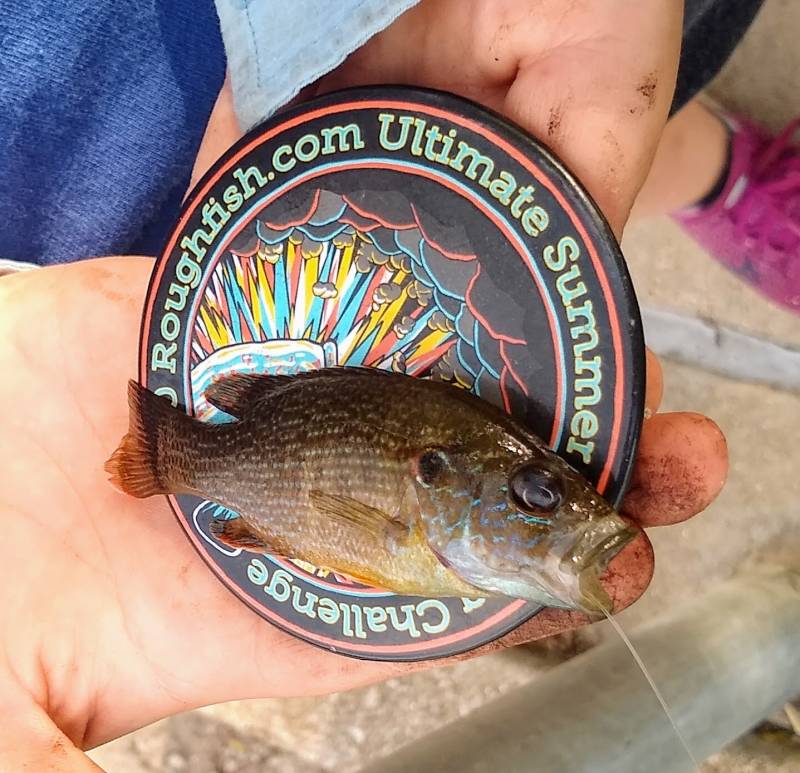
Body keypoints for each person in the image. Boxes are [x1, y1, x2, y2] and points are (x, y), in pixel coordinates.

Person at [1, 0, 770, 767]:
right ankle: (718, 173)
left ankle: (712, 169)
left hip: (341, 70)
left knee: (595, 105)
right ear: (430, 473)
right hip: (107, 218)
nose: (553, 505)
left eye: (540, 494)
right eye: (535, 493)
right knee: (606, 99)